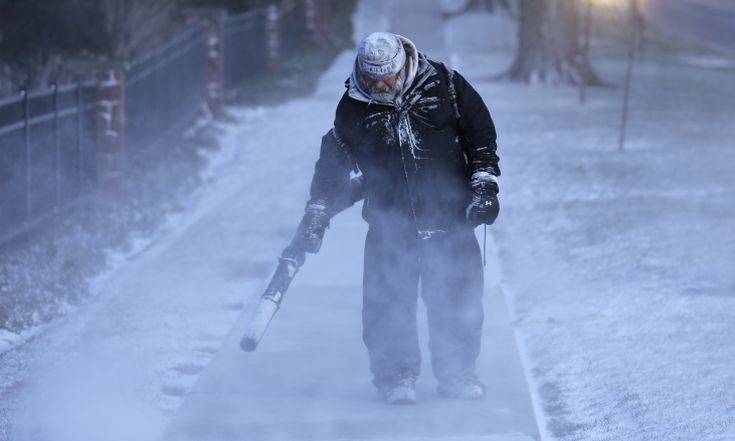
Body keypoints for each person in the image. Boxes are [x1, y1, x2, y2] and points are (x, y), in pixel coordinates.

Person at [299, 32, 500, 405]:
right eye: (371, 78)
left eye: (386, 77)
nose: (379, 85)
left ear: (402, 66)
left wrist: (484, 185)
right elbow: (333, 165)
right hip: (390, 227)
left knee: (457, 300)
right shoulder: (353, 108)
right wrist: (318, 209)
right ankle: (395, 376)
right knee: (387, 303)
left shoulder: (446, 86)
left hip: (450, 219)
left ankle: (458, 373)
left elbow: (481, 134)